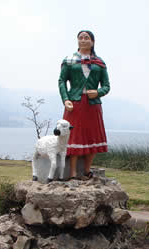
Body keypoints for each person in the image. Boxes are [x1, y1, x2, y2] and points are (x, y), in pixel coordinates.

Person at [58, 30, 110, 180]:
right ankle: (73, 172)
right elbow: (62, 80)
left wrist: (98, 92)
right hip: (74, 103)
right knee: (73, 135)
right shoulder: (69, 60)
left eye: (86, 38)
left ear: (92, 42)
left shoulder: (99, 63)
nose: (83, 40)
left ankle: (87, 170)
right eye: (80, 37)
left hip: (92, 105)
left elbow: (106, 85)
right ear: (77, 41)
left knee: (91, 136)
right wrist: (65, 98)